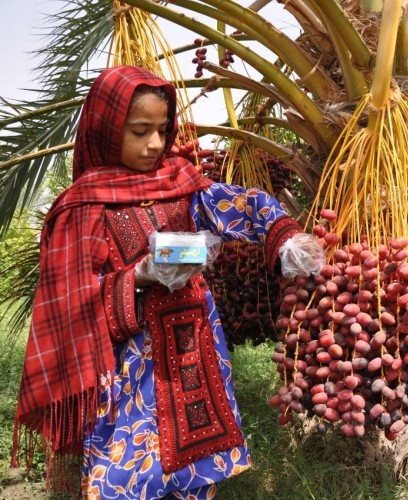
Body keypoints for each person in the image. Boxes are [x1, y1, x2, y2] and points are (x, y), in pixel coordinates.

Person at [12, 65, 325, 499]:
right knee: (121, 475)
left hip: (193, 350)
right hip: (127, 364)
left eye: (161, 129)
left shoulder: (181, 183)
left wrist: (285, 236)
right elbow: (73, 304)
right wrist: (137, 276)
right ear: (106, 129)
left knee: (196, 471)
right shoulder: (81, 208)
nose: (155, 144)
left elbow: (242, 203)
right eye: (139, 131)